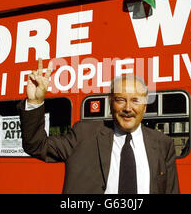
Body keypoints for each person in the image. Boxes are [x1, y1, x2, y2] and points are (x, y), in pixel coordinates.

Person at [18, 59, 179, 194]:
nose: (128, 108)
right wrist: (35, 102)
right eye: (120, 100)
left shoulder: (163, 144)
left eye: (135, 100)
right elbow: (36, 145)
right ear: (111, 103)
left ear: (145, 106)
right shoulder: (84, 134)